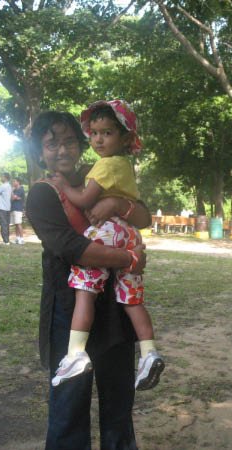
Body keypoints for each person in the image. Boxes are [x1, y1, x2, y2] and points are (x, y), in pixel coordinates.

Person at [25, 110, 149, 449]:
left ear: (81, 146)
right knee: (70, 404)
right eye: (52, 144)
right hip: (70, 311)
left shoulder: (101, 175)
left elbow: (144, 216)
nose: (62, 150)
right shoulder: (42, 194)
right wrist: (129, 258)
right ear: (40, 152)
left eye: (69, 142)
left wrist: (117, 204)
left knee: (119, 402)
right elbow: (72, 248)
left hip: (114, 307)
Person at [50, 100, 164, 390]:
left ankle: (75, 353)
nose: (98, 139)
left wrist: (64, 186)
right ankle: (149, 352)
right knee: (132, 299)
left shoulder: (106, 165)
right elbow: (140, 213)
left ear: (124, 138)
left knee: (85, 290)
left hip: (107, 231)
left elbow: (85, 200)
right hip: (129, 234)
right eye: (94, 133)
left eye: (107, 133)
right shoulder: (123, 165)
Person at [0, 172, 12, 245]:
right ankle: (7, 240)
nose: (1, 178)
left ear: (5, 178)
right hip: (8, 207)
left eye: (2, 177)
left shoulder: (3, 186)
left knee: (3, 224)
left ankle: (6, 241)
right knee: (6, 224)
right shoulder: (9, 186)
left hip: (1, 208)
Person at [11, 177, 25, 244]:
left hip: (18, 208)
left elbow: (13, 198)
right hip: (14, 208)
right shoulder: (15, 190)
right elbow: (12, 198)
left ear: (18, 182)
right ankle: (17, 238)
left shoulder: (20, 189)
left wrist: (12, 194)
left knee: (19, 224)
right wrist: (14, 196)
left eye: (14, 181)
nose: (13, 182)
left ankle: (22, 239)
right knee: (16, 224)